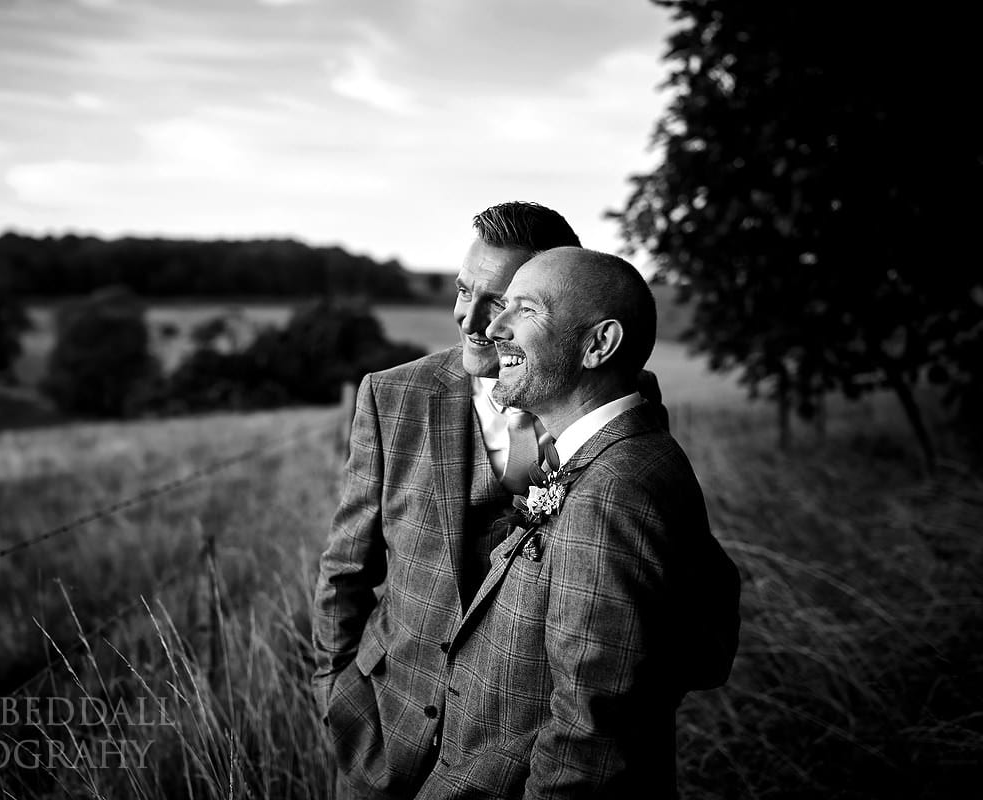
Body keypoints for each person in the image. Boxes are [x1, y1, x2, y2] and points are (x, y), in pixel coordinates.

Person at [310, 202, 663, 798]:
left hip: (535, 752)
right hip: (386, 731)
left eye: (501, 302)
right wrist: (336, 690)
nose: (472, 320)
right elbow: (345, 567)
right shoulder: (392, 397)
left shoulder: (614, 398)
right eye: (462, 291)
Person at [414, 247, 741, 799]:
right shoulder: (623, 457)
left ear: (598, 345)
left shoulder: (613, 490)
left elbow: (591, 741)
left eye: (525, 310)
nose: (492, 328)